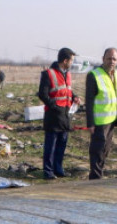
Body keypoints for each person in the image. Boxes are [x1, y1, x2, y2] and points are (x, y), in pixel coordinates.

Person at [37, 47, 81, 179]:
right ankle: (48, 171)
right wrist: (53, 106)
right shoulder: (48, 74)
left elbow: (66, 90)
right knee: (51, 145)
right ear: (65, 60)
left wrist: (74, 97)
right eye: (71, 60)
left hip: (66, 114)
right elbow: (42, 94)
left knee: (62, 143)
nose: (72, 63)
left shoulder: (67, 74)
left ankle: (58, 169)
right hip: (53, 115)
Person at [85, 48, 117, 180]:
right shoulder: (94, 75)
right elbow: (88, 101)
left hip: (111, 119)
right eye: (109, 58)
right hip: (99, 121)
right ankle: (95, 178)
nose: (111, 61)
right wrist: (90, 123)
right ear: (103, 59)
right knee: (97, 151)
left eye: (114, 59)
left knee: (105, 151)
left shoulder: (116, 75)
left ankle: (99, 174)